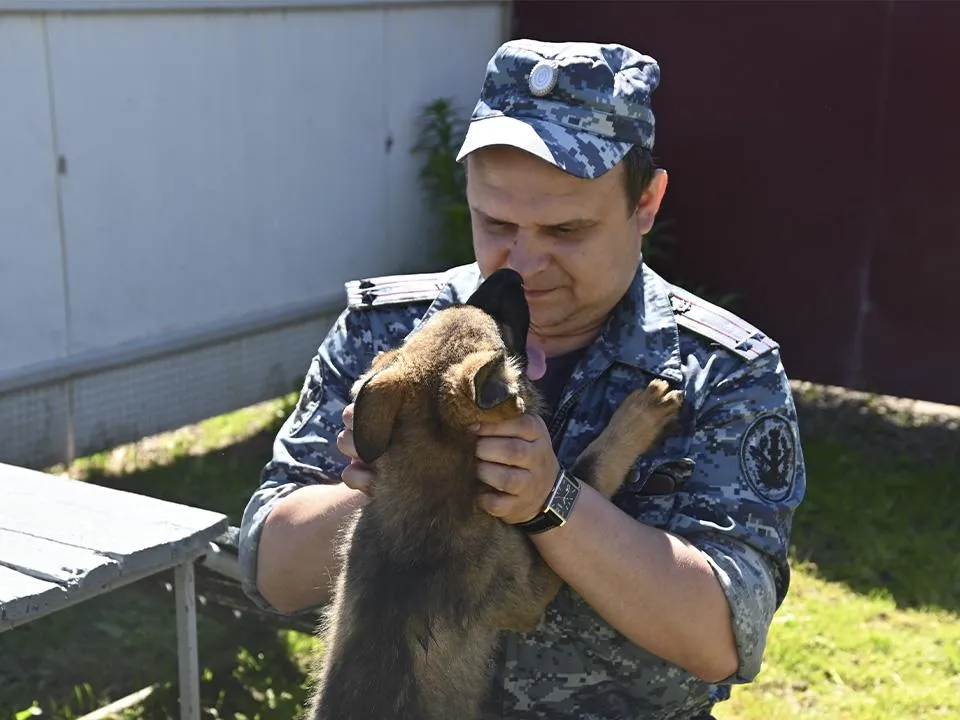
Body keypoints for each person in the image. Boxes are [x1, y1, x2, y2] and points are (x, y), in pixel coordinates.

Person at [238, 38, 806, 719]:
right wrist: (403, 481)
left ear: (646, 203)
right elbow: (272, 572)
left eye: (566, 230)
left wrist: (554, 501)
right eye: (496, 222)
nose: (523, 263)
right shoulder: (387, 334)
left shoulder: (721, 371)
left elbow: (719, 641)